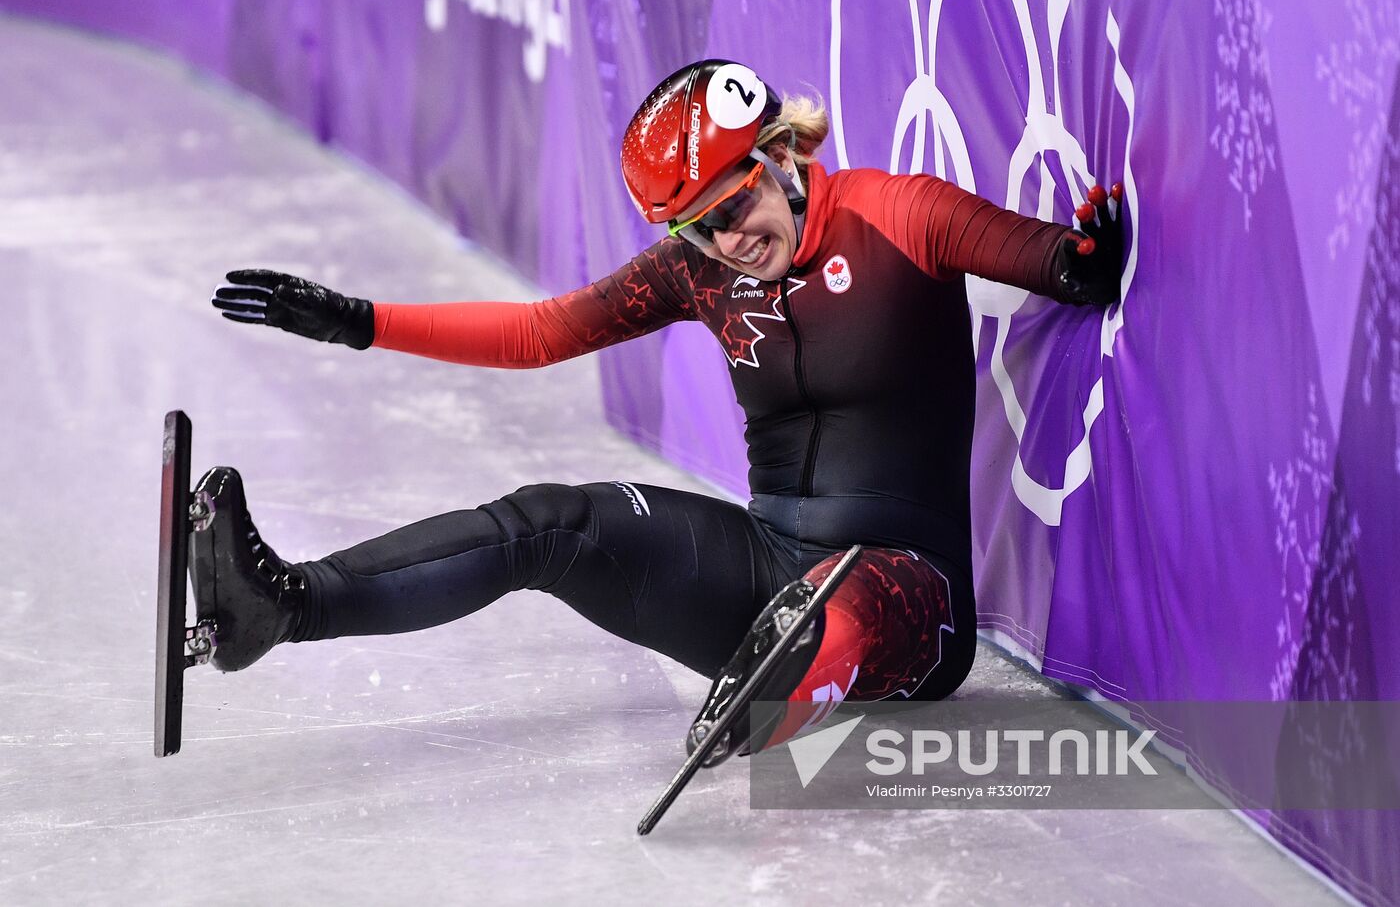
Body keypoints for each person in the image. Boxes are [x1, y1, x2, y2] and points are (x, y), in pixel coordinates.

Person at [203, 59, 1123, 763]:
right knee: (546, 523)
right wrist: (357, 322)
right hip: (768, 574)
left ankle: (788, 678)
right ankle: (285, 606)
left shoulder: (900, 213)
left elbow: (1056, 261)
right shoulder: (701, 269)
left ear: (785, 153)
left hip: (911, 599)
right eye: (700, 228)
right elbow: (538, 332)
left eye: (737, 203)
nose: (733, 241)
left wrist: (1080, 255)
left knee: (829, 604)